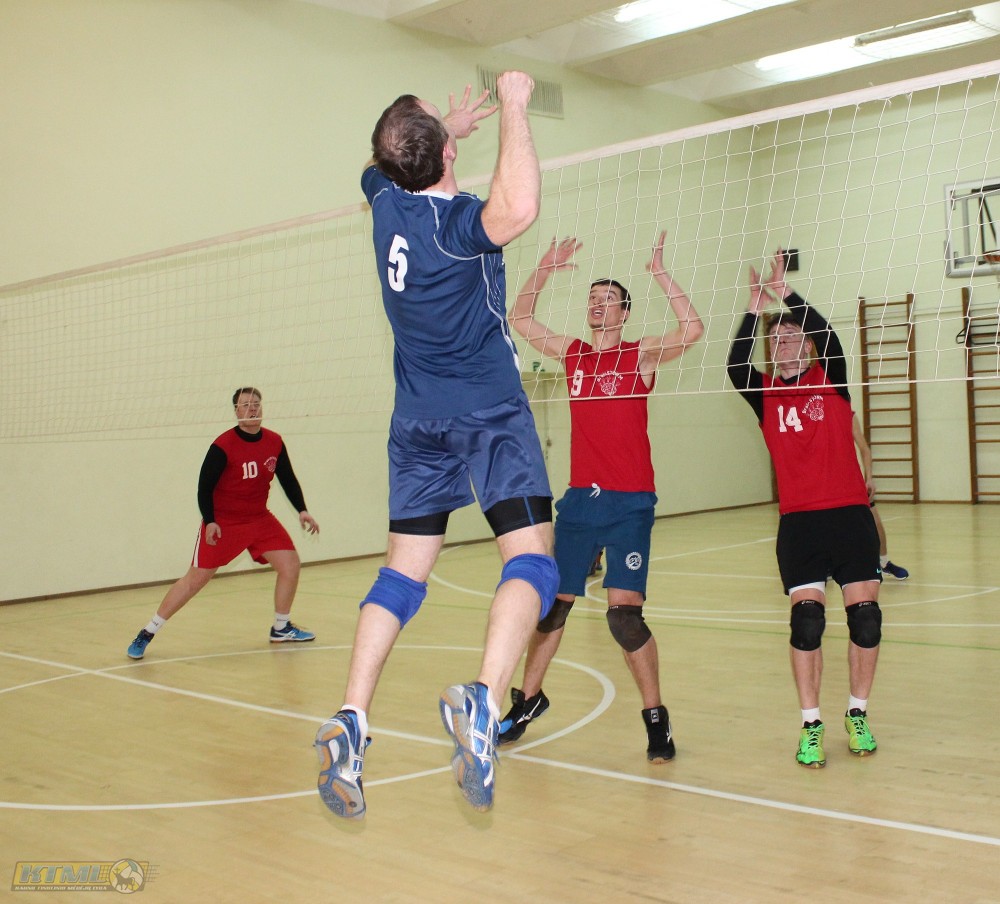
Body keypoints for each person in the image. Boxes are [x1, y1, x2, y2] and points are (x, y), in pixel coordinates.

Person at [315, 75, 559, 819]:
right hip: (489, 413)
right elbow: (517, 207)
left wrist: (437, 129)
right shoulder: (456, 225)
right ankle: (483, 699)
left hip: (417, 421)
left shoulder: (384, 204)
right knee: (533, 563)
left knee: (403, 573)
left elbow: (381, 163)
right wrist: (513, 102)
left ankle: (352, 718)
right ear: (447, 154)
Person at [501, 232, 704, 761]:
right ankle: (527, 700)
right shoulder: (573, 355)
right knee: (553, 609)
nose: (597, 304)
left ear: (624, 312)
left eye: (608, 298)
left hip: (630, 502)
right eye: (592, 298)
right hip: (580, 503)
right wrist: (545, 268)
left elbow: (693, 329)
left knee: (623, 618)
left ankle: (656, 718)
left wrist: (661, 275)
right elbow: (520, 319)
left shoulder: (641, 355)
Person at [727, 249, 882, 768]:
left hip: (849, 517)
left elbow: (831, 335)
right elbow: (734, 365)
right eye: (777, 338)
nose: (785, 341)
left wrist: (785, 294)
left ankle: (857, 714)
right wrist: (755, 309)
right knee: (807, 624)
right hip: (800, 524)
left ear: (808, 344)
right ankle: (811, 725)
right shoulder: (764, 393)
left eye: (793, 334)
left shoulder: (831, 377)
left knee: (866, 621)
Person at [126, 387, 320, 660]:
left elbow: (287, 478)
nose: (252, 408)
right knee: (195, 580)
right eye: (246, 405)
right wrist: (210, 521)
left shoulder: (274, 442)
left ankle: (281, 627)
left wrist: (302, 510)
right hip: (224, 523)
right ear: (236, 411)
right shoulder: (223, 446)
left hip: (259, 519)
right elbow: (204, 489)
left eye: (256, 403)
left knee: (290, 565)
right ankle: (148, 631)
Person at [852, 414, 909, 580]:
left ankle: (884, 563)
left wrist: (869, 478)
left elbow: (864, 449)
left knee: (875, 521)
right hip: (824, 482)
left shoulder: (848, 415)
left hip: (851, 480)